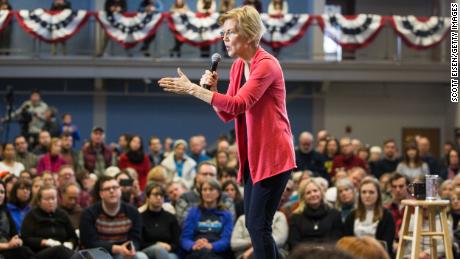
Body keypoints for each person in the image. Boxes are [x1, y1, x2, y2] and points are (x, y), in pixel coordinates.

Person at [159, 6, 296, 259]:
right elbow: (227, 113)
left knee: (257, 226)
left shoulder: (267, 65)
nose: (224, 38)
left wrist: (193, 89)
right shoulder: (236, 67)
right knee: (257, 227)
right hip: (253, 157)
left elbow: (239, 104)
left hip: (273, 156)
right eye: (223, 33)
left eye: (229, 32)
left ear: (249, 34)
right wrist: (213, 90)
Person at [79, 175, 145, 259]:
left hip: (125, 251)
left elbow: (136, 238)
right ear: (101, 194)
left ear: (120, 191)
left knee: (141, 256)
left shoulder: (133, 212)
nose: (111, 191)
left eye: (115, 187)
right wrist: (117, 249)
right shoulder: (89, 213)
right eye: (107, 189)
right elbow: (90, 242)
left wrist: (131, 248)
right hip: (98, 253)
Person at [180, 178, 233, 259]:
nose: (207, 192)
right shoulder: (193, 212)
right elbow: (185, 238)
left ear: (218, 193)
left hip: (217, 253)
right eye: (204, 190)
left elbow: (226, 240)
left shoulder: (226, 214)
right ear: (201, 193)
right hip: (196, 251)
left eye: (211, 189)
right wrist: (193, 245)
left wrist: (211, 246)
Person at [21, 185, 77, 259]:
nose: (51, 202)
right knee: (59, 250)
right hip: (39, 253)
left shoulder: (62, 214)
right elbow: (26, 239)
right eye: (47, 199)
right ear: (39, 201)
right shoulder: (32, 215)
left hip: (63, 251)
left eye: (53, 198)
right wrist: (45, 242)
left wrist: (70, 243)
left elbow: (73, 237)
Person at [343, 177, 395, 257]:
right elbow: (347, 242)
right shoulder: (352, 215)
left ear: (378, 194)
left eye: (371, 192)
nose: (367, 195)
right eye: (364, 192)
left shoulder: (387, 216)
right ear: (359, 194)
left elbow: (386, 245)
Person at [288, 179, 343, 250]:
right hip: (303, 255)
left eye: (315, 191)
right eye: (308, 193)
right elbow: (293, 242)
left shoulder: (334, 213)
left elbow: (337, 239)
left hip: (329, 253)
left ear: (321, 192)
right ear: (303, 197)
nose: (313, 194)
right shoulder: (296, 217)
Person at [141, 183, 180, 259]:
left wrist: (170, 247)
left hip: (168, 251)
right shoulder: (140, 217)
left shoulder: (170, 217)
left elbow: (177, 241)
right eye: (155, 194)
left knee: (172, 257)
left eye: (161, 195)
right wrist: (156, 244)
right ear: (148, 197)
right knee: (159, 250)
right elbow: (139, 242)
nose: (159, 197)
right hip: (147, 251)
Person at [0, 180, 36, 258]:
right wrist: (7, 245)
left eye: (2, 192)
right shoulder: (9, 208)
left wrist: (16, 240)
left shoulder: (4, 211)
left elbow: (14, 233)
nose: (0, 195)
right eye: (22, 188)